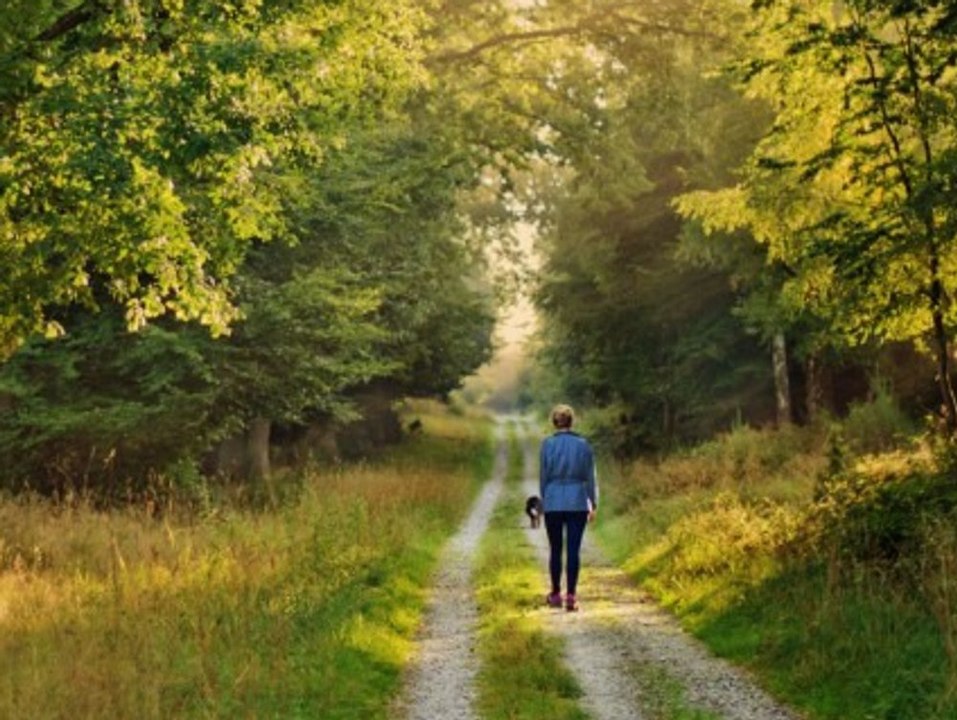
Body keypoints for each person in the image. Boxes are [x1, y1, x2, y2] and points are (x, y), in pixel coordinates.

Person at [539, 403, 598, 612]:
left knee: (555, 549)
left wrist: (544, 500)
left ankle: (555, 593)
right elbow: (590, 477)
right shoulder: (583, 445)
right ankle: (571, 595)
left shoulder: (547, 444)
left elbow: (543, 477)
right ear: (571, 421)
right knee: (573, 549)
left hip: (554, 499)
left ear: (554, 422)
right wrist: (593, 502)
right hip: (577, 500)